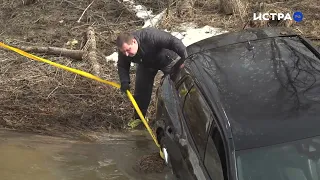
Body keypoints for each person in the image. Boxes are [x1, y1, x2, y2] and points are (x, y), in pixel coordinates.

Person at [116, 27, 188, 128]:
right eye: (124, 52)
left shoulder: (150, 36)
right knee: (141, 91)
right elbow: (122, 66)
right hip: (146, 65)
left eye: (128, 50)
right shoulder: (124, 50)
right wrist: (124, 82)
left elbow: (173, 41)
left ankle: (180, 116)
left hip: (167, 60)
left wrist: (185, 58)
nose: (127, 54)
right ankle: (139, 119)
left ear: (133, 41)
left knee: (172, 88)